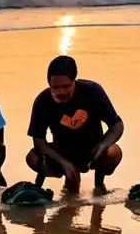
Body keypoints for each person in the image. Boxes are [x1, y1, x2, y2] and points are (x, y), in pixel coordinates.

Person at [26, 55, 123, 195]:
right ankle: (67, 180)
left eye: (66, 86)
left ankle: (99, 184)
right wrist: (63, 162)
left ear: (74, 81)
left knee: (114, 152)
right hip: (63, 151)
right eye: (55, 87)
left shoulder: (92, 91)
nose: (60, 92)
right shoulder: (43, 101)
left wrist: (101, 147)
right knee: (32, 158)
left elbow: (117, 125)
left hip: (93, 148)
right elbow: (38, 141)